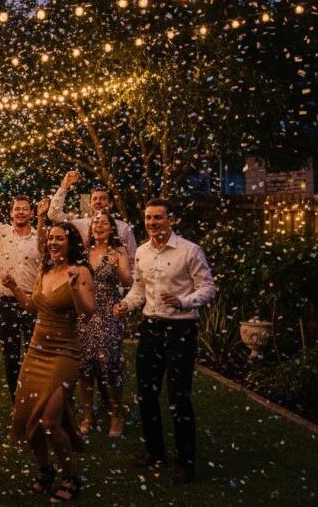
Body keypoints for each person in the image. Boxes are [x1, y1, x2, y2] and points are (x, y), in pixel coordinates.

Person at [114, 198, 215, 484]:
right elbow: (139, 288)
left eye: (158, 218)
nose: (152, 223)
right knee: (146, 394)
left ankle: (186, 462)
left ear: (170, 220)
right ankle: (155, 452)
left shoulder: (189, 250)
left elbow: (208, 288)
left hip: (180, 331)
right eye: (148, 218)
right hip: (150, 329)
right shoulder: (143, 252)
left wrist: (183, 302)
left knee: (178, 398)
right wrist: (125, 305)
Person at [5, 222, 94, 503]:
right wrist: (14, 288)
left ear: (71, 243)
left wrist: (74, 288)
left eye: (60, 239)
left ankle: (70, 476)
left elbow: (88, 313)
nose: (54, 243)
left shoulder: (80, 272)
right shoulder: (44, 270)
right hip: (36, 350)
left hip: (65, 351)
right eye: (51, 239)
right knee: (26, 415)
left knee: (49, 420)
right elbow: (33, 307)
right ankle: (45, 470)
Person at [0, 178, 41, 401]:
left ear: (31, 213)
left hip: (33, 303)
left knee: (36, 354)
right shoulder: (1, 233)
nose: (20, 212)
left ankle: (36, 399)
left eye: (24, 209)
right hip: (7, 303)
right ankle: (17, 403)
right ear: (11, 213)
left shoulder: (40, 237)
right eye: (16, 209)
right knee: (11, 357)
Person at [78, 213, 133, 438]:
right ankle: (88, 415)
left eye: (104, 223)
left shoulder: (117, 252)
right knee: (85, 367)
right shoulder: (83, 253)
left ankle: (116, 415)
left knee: (110, 366)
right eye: (95, 223)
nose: (98, 226)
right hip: (84, 315)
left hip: (108, 315)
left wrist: (117, 267)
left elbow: (128, 281)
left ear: (111, 228)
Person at [48, 170, 138, 267]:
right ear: (90, 204)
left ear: (111, 204)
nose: (98, 202)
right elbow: (53, 214)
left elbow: (133, 261)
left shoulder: (123, 227)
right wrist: (64, 185)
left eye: (103, 198)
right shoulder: (81, 224)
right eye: (94, 199)